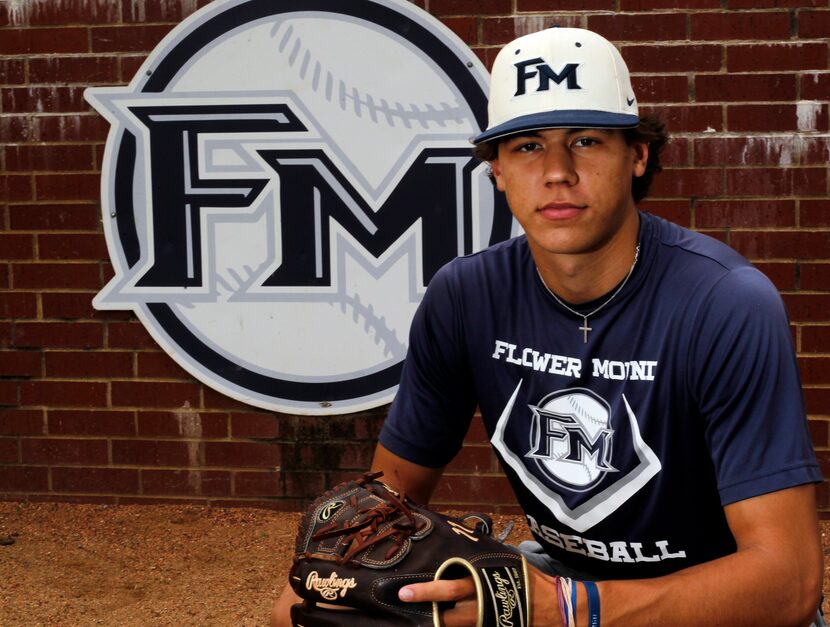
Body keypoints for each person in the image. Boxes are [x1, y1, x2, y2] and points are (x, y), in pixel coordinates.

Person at [272, 26, 824, 626]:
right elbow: (380, 507)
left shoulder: (724, 302)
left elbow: (788, 582)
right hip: (559, 578)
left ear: (637, 155)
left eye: (585, 140)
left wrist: (562, 610)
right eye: (528, 146)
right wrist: (314, 595)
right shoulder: (466, 295)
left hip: (707, 597)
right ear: (497, 171)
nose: (557, 171)